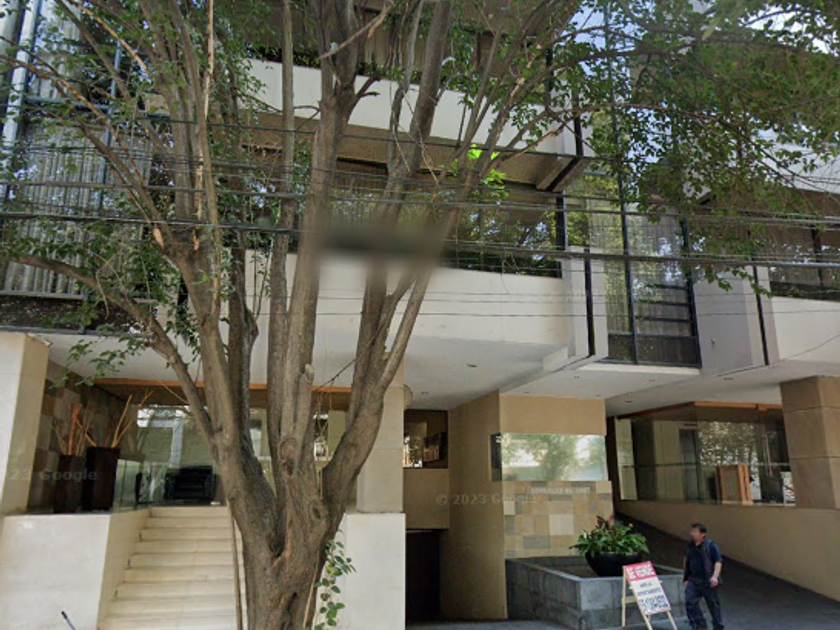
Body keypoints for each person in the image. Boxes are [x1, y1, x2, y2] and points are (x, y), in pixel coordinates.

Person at [683, 522, 724, 630]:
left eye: (695, 532)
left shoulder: (710, 545)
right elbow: (686, 560)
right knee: (690, 601)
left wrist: (715, 576)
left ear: (703, 534)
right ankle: (699, 625)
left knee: (713, 605)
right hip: (693, 579)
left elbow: (718, 561)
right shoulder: (689, 545)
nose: (692, 534)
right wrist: (686, 576)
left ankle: (718, 626)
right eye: (692, 531)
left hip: (707, 580)